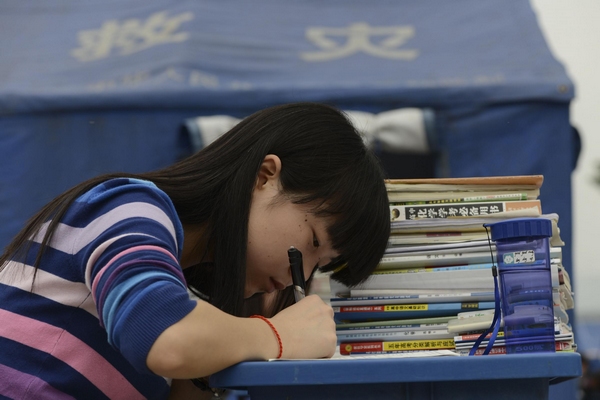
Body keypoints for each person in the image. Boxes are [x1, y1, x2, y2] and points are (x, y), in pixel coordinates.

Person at [0, 102, 390, 399]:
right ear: (265, 176)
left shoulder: (184, 286)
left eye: (320, 266)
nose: (298, 275)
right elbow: (164, 338)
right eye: (312, 244)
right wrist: (275, 335)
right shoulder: (129, 205)